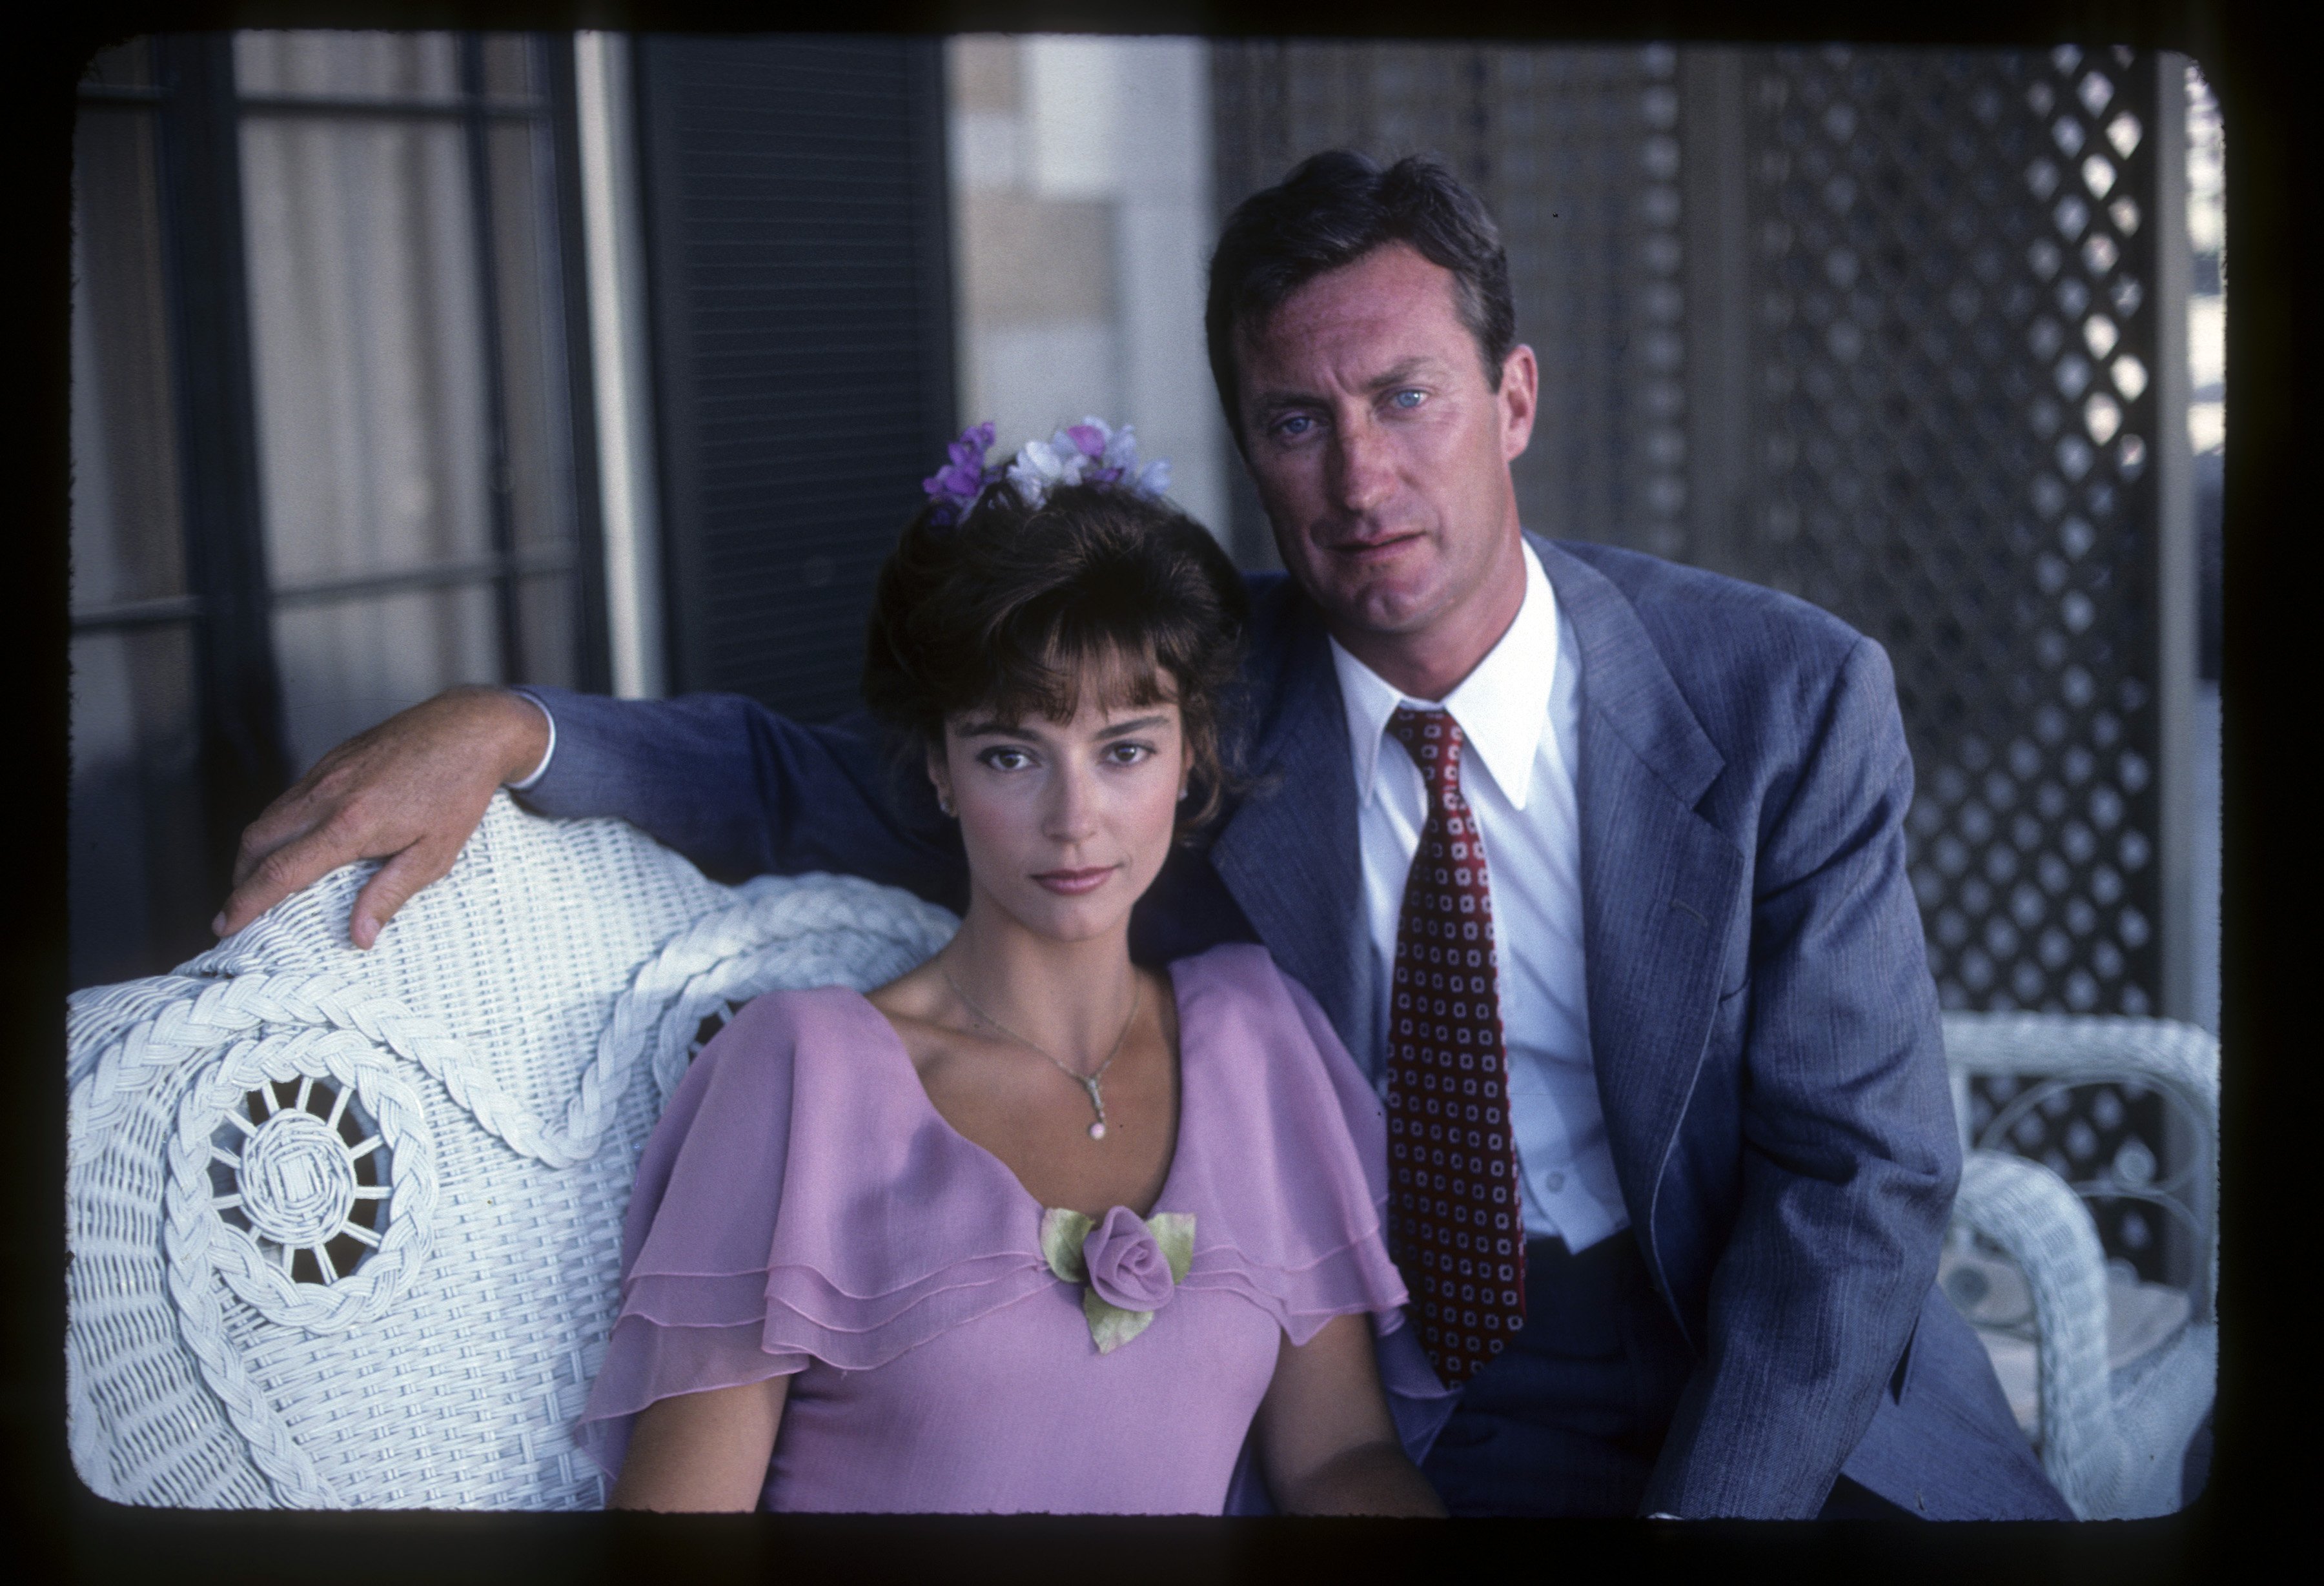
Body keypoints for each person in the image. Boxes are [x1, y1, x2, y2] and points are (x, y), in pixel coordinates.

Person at [218, 152, 2070, 1520]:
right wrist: (510, 730)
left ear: (1513, 399)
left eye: (1407, 398)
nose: (1360, 476)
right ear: (1248, 448)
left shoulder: (1784, 699)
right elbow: (803, 771)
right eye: (1296, 420)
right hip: (1428, 1412)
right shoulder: (1178, 703)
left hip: (1778, 1396)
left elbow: (1861, 1179)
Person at [581, 426, 1446, 1514]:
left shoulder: (1258, 1037)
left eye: (1125, 748)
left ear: (1191, 758)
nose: (1074, 820)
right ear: (940, 767)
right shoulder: (805, 1075)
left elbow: (1337, 1463)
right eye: (1010, 754)